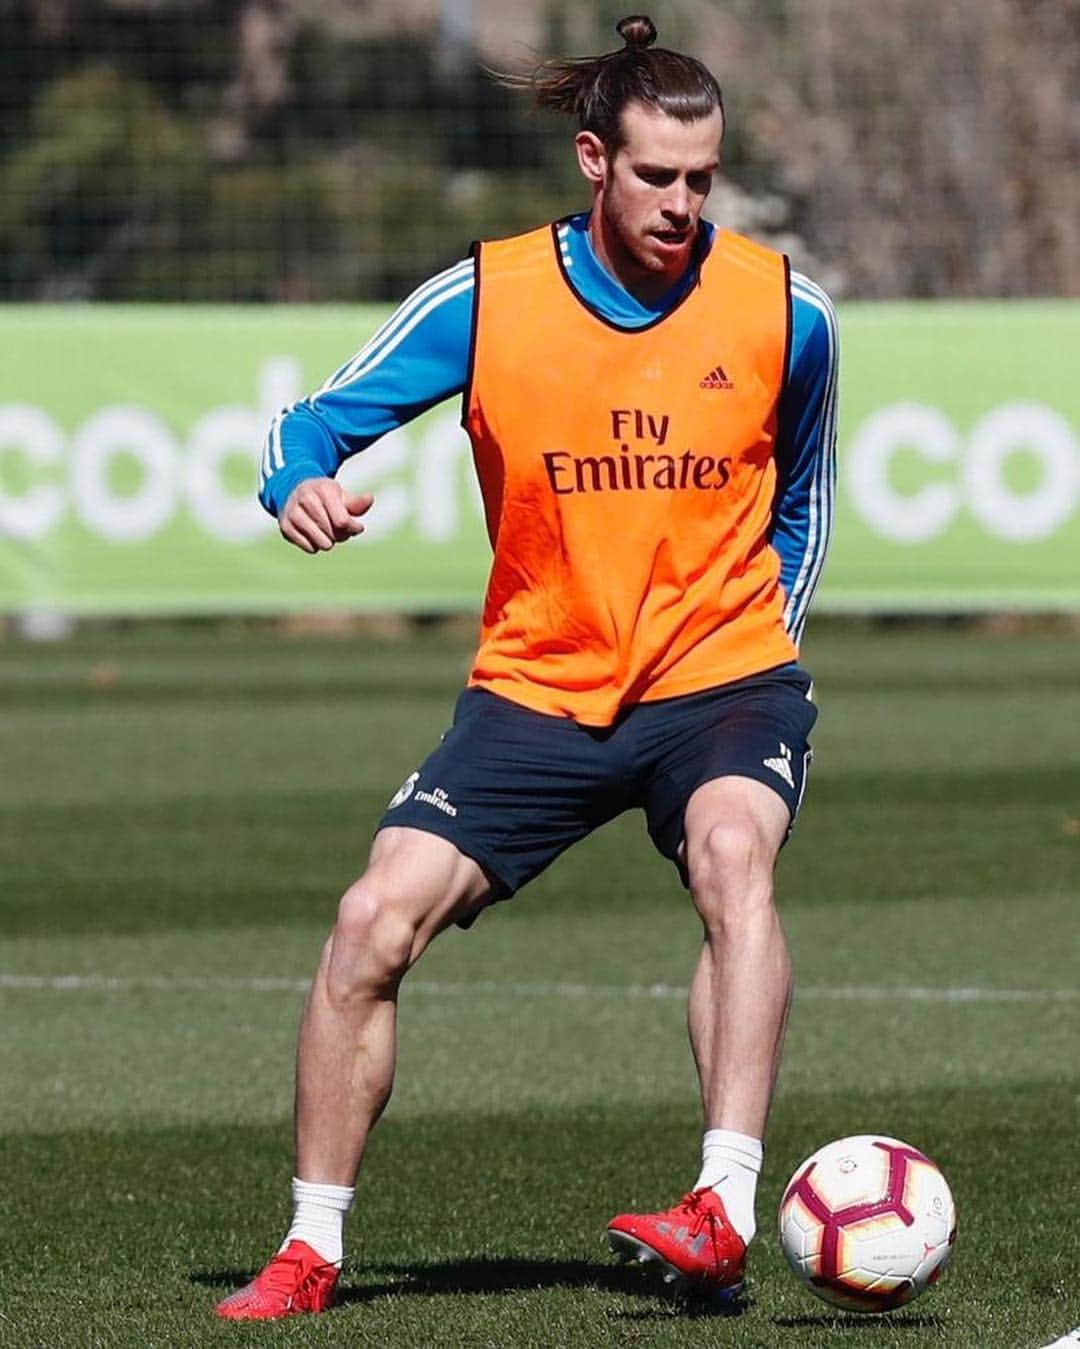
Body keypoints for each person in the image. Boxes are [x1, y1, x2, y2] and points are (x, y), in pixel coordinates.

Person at [217, 13, 837, 1321]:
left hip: (721, 677)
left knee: (737, 859)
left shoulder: (786, 310)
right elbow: (310, 420)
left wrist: (767, 638)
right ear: (593, 161)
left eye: (703, 180)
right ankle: (311, 1246)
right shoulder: (489, 297)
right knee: (369, 925)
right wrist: (299, 485)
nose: (682, 204)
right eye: (657, 176)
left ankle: (722, 1203)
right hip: (538, 689)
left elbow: (805, 498)